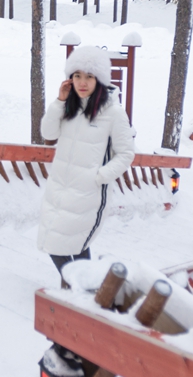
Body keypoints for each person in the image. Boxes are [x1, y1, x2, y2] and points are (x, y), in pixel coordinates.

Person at [38, 45, 136, 277]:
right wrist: (59, 102)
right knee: (66, 242)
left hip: (88, 193)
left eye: (89, 77)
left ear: (99, 80)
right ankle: (84, 287)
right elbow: (48, 134)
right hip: (59, 190)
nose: (82, 82)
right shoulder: (69, 107)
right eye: (77, 75)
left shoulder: (113, 113)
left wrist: (99, 177)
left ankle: (79, 286)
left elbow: (126, 154)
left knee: (68, 243)